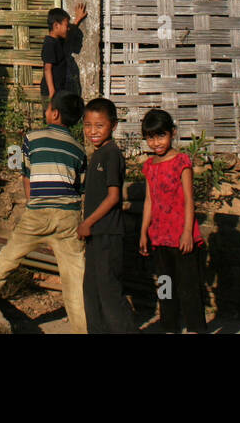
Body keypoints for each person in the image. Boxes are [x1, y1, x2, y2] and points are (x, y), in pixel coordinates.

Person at [0, 90, 88, 333]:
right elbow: (80, 187)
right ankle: (83, 328)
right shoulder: (78, 149)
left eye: (48, 107)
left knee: (7, 258)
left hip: (37, 212)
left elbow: (26, 175)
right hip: (68, 216)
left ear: (54, 113)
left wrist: (33, 204)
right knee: (75, 275)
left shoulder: (33, 137)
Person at [138, 108, 206, 333]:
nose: (156, 142)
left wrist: (187, 232)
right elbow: (149, 200)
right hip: (159, 238)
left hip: (181, 238)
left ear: (173, 133)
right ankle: (169, 328)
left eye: (161, 135)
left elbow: (189, 200)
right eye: (150, 137)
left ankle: (196, 329)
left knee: (189, 289)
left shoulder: (181, 162)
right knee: (165, 288)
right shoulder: (149, 166)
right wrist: (143, 232)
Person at [77, 97, 136, 333]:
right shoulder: (97, 155)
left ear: (113, 125)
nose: (93, 131)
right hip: (96, 234)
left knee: (109, 292)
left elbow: (113, 197)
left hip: (107, 234)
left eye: (99, 125)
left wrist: (87, 222)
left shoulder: (111, 154)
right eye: (88, 125)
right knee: (91, 291)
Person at [41, 3, 87, 98]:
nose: (68, 28)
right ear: (56, 25)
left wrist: (78, 18)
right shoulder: (50, 44)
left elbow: (70, 30)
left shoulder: (58, 40)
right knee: (50, 113)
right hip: (50, 91)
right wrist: (52, 91)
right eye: (66, 25)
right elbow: (47, 69)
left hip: (59, 89)